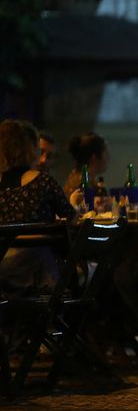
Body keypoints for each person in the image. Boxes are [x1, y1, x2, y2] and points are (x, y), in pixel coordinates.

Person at [0, 120, 79, 295]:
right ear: (31, 148)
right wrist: (75, 204)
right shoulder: (42, 181)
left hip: (3, 271)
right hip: (39, 274)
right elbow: (71, 219)